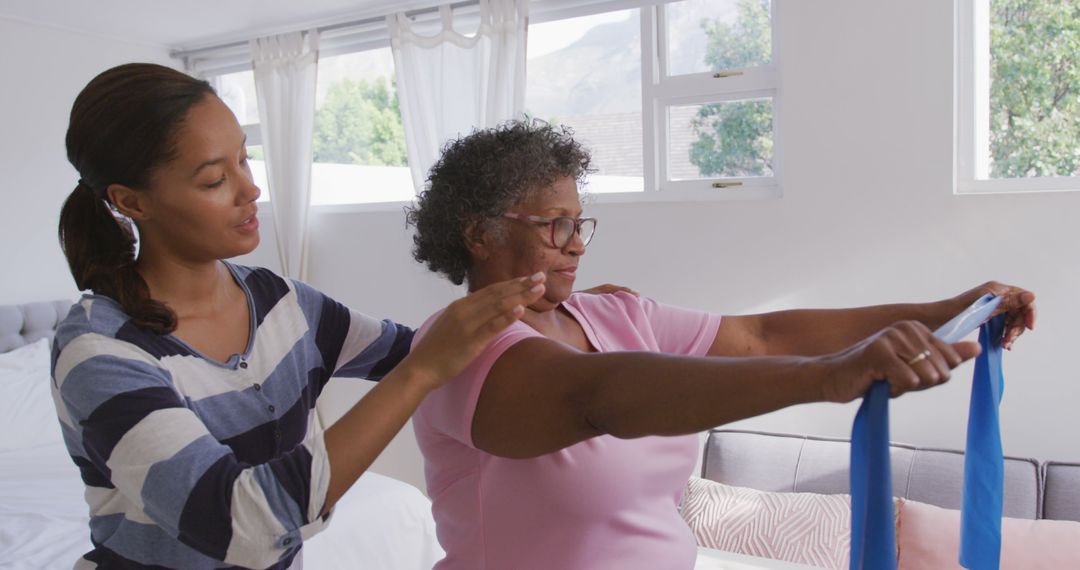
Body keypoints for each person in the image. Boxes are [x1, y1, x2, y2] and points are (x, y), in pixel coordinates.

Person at [404, 119, 1037, 570]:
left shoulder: (616, 313)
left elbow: (763, 335)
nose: (577, 243)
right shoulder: (460, 348)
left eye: (580, 222)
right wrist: (828, 375)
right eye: (555, 225)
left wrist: (943, 311)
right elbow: (598, 399)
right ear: (478, 234)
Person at [50, 63, 577, 570]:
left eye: (244, 160)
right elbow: (242, 526)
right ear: (130, 202)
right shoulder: (97, 351)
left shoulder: (280, 302)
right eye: (214, 180)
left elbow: (423, 349)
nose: (250, 190)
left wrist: (577, 311)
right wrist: (421, 373)